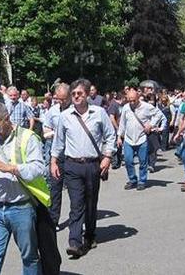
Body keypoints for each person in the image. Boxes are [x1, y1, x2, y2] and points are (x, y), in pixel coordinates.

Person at [0, 102, 48, 274]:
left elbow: (38, 169)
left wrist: (10, 168)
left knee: (29, 256)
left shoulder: (27, 137)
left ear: (7, 119)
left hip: (21, 208)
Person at [51, 78, 116, 258]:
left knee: (90, 202)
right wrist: (53, 161)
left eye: (79, 93)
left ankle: (90, 234)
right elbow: (58, 142)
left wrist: (108, 157)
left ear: (87, 94)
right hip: (72, 165)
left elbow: (110, 136)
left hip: (93, 164)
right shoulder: (65, 116)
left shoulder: (99, 113)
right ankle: (74, 241)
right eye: (73, 94)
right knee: (76, 203)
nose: (76, 96)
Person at [117, 88, 163, 190]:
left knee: (143, 161)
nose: (132, 102)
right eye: (130, 100)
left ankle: (142, 181)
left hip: (141, 138)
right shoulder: (126, 108)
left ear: (138, 98)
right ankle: (132, 179)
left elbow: (159, 114)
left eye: (134, 100)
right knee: (128, 160)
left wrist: (151, 125)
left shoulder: (146, 107)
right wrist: (119, 136)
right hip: (129, 139)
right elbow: (122, 123)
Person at [42, 83, 70, 228]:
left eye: (62, 99)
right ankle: (53, 220)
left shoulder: (76, 111)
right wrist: (55, 133)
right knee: (55, 189)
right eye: (57, 99)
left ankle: (78, 220)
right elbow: (46, 132)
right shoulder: (52, 111)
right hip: (57, 156)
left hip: (73, 157)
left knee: (75, 191)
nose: (59, 102)